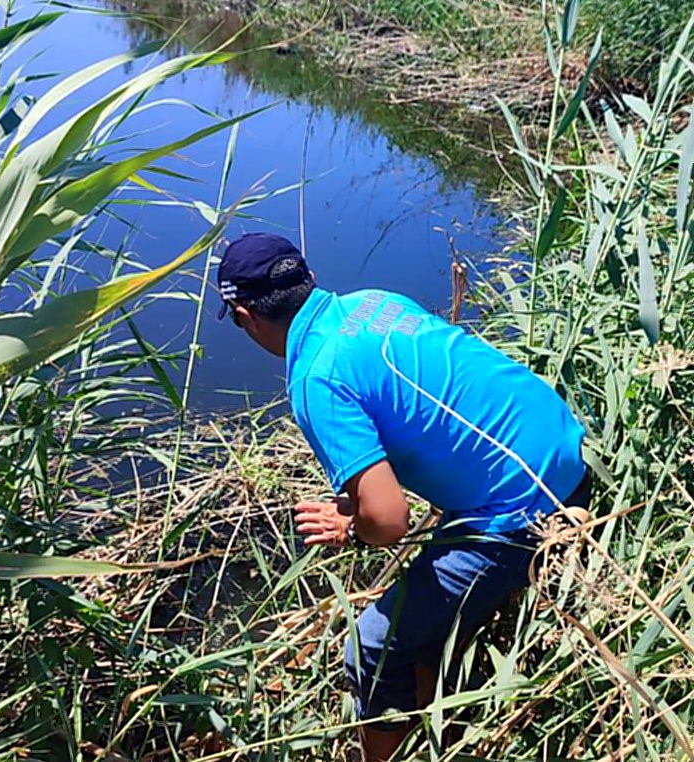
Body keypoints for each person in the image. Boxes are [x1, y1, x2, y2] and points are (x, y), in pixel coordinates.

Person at [217, 232, 590, 761]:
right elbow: (420, 413)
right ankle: (437, 700)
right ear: (310, 280)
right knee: (418, 619)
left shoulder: (316, 379)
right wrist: (361, 504)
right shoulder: (375, 302)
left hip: (525, 507)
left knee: (370, 647)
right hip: (561, 442)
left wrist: (353, 526)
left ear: (244, 315)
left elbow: (391, 522)